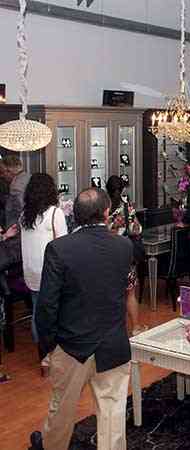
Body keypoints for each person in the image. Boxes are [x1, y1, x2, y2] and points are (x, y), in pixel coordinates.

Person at [30, 188, 133, 450]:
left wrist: (48, 347)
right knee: (113, 416)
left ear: (74, 215)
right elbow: (123, 290)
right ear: (107, 212)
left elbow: (46, 306)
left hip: (71, 345)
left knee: (61, 411)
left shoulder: (59, 249)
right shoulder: (124, 246)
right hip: (113, 343)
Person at [20, 173, 68, 376]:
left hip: (31, 272)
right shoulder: (55, 214)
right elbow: (63, 246)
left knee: (37, 313)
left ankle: (44, 358)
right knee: (57, 314)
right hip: (50, 272)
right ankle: (55, 356)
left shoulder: (24, 216)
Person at [106, 175, 145, 335]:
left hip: (106, 256)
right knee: (130, 293)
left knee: (110, 294)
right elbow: (137, 229)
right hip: (125, 255)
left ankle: (113, 329)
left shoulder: (102, 208)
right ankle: (135, 327)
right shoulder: (126, 207)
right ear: (122, 189)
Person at [3, 155, 30, 227]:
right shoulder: (28, 176)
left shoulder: (15, 186)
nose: (2, 175)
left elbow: (22, 209)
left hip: (17, 227)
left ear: (9, 171)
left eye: (3, 172)